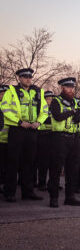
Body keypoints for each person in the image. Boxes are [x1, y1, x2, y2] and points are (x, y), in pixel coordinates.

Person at [1, 68, 47, 202]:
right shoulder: (11, 91)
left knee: (29, 162)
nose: (28, 79)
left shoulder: (38, 92)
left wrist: (39, 122)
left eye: (30, 77)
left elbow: (44, 110)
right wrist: (19, 122)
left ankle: (28, 192)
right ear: (19, 78)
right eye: (25, 77)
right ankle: (10, 192)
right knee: (13, 161)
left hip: (32, 130)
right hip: (17, 130)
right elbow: (5, 109)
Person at [48, 77, 80, 207]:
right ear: (62, 88)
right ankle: (53, 197)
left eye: (72, 87)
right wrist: (73, 112)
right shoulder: (56, 101)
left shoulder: (77, 101)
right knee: (56, 168)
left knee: (73, 169)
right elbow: (58, 117)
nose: (71, 89)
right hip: (59, 138)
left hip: (74, 138)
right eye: (68, 87)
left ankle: (70, 196)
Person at [34, 90, 56, 191]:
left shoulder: (55, 109)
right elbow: (45, 120)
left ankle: (52, 183)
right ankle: (41, 183)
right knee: (43, 162)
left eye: (51, 99)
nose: (50, 101)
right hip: (43, 136)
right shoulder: (40, 109)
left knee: (53, 162)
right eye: (47, 99)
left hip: (53, 136)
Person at [0, 85, 9, 194]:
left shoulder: (11, 106)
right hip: (1, 140)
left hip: (9, 140)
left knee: (7, 165)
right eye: (1, 93)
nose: (3, 95)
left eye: (5, 93)